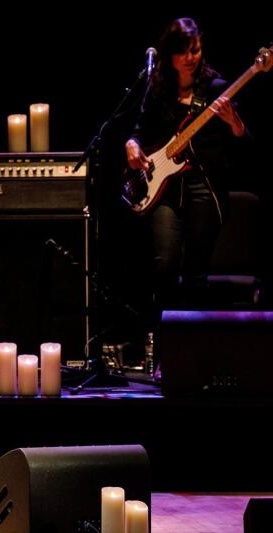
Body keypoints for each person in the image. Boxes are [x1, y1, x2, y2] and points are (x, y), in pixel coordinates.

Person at [124, 18, 250, 357]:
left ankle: (196, 354)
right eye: (183, 52)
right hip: (165, 189)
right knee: (164, 267)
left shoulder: (216, 89)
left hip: (202, 188)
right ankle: (166, 351)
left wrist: (235, 124)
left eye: (195, 49)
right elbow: (137, 130)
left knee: (196, 274)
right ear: (170, 55)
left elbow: (244, 147)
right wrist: (132, 145)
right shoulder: (158, 88)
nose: (192, 57)